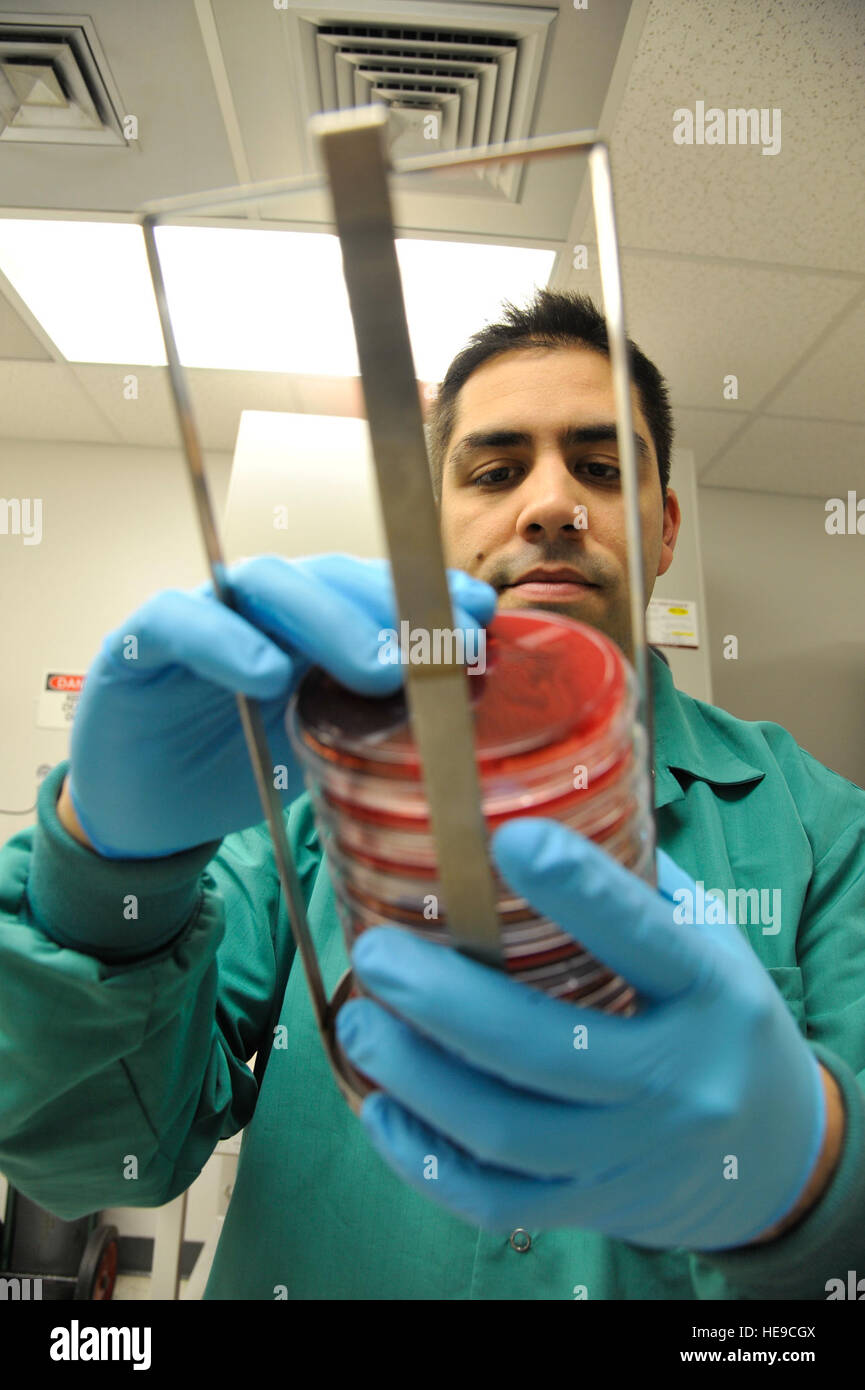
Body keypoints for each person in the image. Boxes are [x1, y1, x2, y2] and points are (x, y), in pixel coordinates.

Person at [1, 291, 863, 1301]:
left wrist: (807, 1177)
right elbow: (98, 1166)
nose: (550, 505)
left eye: (598, 466)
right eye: (496, 471)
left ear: (664, 527)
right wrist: (105, 876)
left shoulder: (819, 828)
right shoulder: (307, 798)